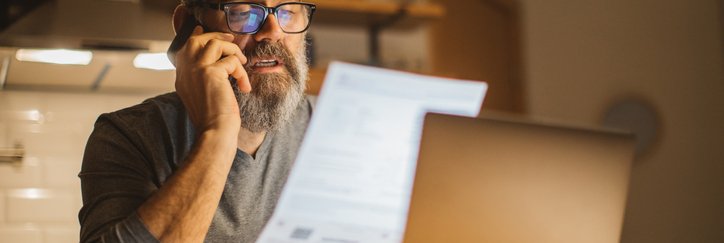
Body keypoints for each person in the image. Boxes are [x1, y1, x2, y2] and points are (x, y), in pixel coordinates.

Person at [78, 0, 317, 242]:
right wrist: (218, 133)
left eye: (288, 12)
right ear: (188, 25)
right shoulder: (129, 136)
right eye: (243, 13)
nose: (273, 31)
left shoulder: (325, 124)